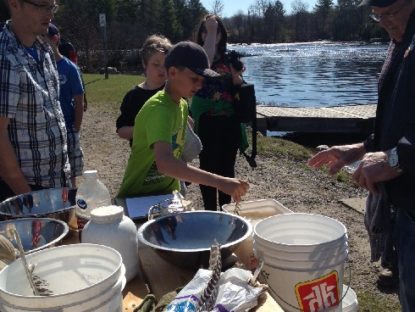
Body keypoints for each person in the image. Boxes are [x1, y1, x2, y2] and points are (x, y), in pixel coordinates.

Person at [308, 0, 415, 309]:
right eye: (377, 15)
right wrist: (358, 149)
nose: (385, 22)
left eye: (392, 12)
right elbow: (394, 122)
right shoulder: (399, 43)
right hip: (403, 207)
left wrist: (395, 159)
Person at [117, 41, 249, 204]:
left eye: (202, 80)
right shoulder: (159, 109)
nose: (200, 85)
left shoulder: (182, 105)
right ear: (172, 72)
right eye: (194, 79)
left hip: (166, 195)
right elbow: (165, 163)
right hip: (138, 198)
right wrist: (220, 182)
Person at [0, 0, 70, 202]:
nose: (50, 14)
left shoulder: (44, 49)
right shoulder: (5, 56)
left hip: (55, 185)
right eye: (42, 6)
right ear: (14, 4)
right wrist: (30, 201)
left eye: (52, 7)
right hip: (22, 194)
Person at [190, 14, 248, 211]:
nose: (213, 33)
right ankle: (209, 210)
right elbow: (203, 65)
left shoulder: (231, 57)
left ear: (224, 34)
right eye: (206, 30)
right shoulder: (198, 55)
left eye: (217, 30)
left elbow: (239, 88)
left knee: (226, 168)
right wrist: (211, 32)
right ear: (202, 34)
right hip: (206, 121)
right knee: (207, 167)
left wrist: (236, 78)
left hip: (229, 122)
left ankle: (225, 210)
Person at [116, 35, 172, 146]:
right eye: (156, 64)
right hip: (142, 159)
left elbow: (190, 124)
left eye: (166, 65)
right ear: (144, 63)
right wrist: (147, 129)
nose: (162, 69)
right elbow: (121, 131)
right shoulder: (133, 96)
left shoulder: (174, 92)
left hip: (170, 157)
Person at [47, 23, 84, 187]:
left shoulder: (69, 67)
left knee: (71, 169)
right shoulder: (40, 65)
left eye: (43, 37)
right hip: (49, 127)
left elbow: (78, 98)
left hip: (68, 125)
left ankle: (72, 197)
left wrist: (76, 126)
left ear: (55, 39)